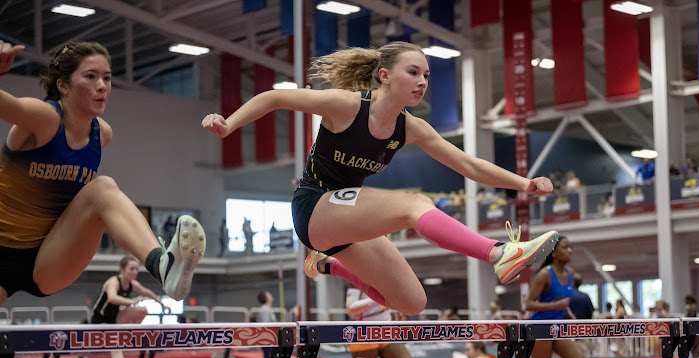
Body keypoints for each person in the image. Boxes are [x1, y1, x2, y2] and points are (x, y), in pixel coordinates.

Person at [202, 42, 558, 318]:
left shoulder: (411, 128)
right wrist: (229, 124)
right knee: (415, 205)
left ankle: (326, 264)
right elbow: (275, 96)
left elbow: (470, 166)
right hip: (313, 206)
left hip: (344, 220)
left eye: (427, 76)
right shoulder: (346, 106)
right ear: (385, 75)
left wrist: (525, 184)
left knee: (411, 302)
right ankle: (499, 252)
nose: (422, 82)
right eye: (413, 72)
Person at [0, 41, 205, 308]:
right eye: (90, 76)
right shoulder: (43, 118)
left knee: (103, 188)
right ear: (62, 85)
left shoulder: (101, 135)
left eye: (107, 78)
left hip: (48, 257)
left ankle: (162, 265)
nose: (102, 86)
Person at [512, 236, 588, 358]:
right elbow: (528, 304)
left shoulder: (570, 273)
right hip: (540, 329)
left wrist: (568, 312)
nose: (570, 250)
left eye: (571, 247)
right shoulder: (544, 275)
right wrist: (556, 305)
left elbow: (563, 302)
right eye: (565, 247)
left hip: (558, 329)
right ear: (554, 252)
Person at [88, 255, 170, 358]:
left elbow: (147, 292)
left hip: (115, 318)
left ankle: (132, 337)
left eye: (137, 269)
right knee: (115, 348)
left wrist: (162, 304)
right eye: (131, 269)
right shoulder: (113, 282)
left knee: (142, 310)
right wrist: (131, 301)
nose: (134, 272)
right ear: (122, 269)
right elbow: (112, 298)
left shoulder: (133, 284)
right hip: (100, 319)